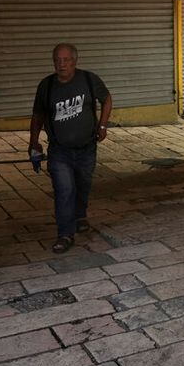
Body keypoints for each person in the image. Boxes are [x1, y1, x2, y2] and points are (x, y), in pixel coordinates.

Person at [29, 43, 113, 253]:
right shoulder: (46, 86)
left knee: (83, 184)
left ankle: (80, 215)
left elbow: (107, 98)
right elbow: (38, 115)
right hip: (60, 151)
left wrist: (102, 124)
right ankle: (65, 234)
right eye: (57, 60)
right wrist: (34, 141)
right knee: (64, 190)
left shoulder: (88, 79)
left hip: (86, 148)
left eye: (66, 60)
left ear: (75, 61)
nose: (61, 64)